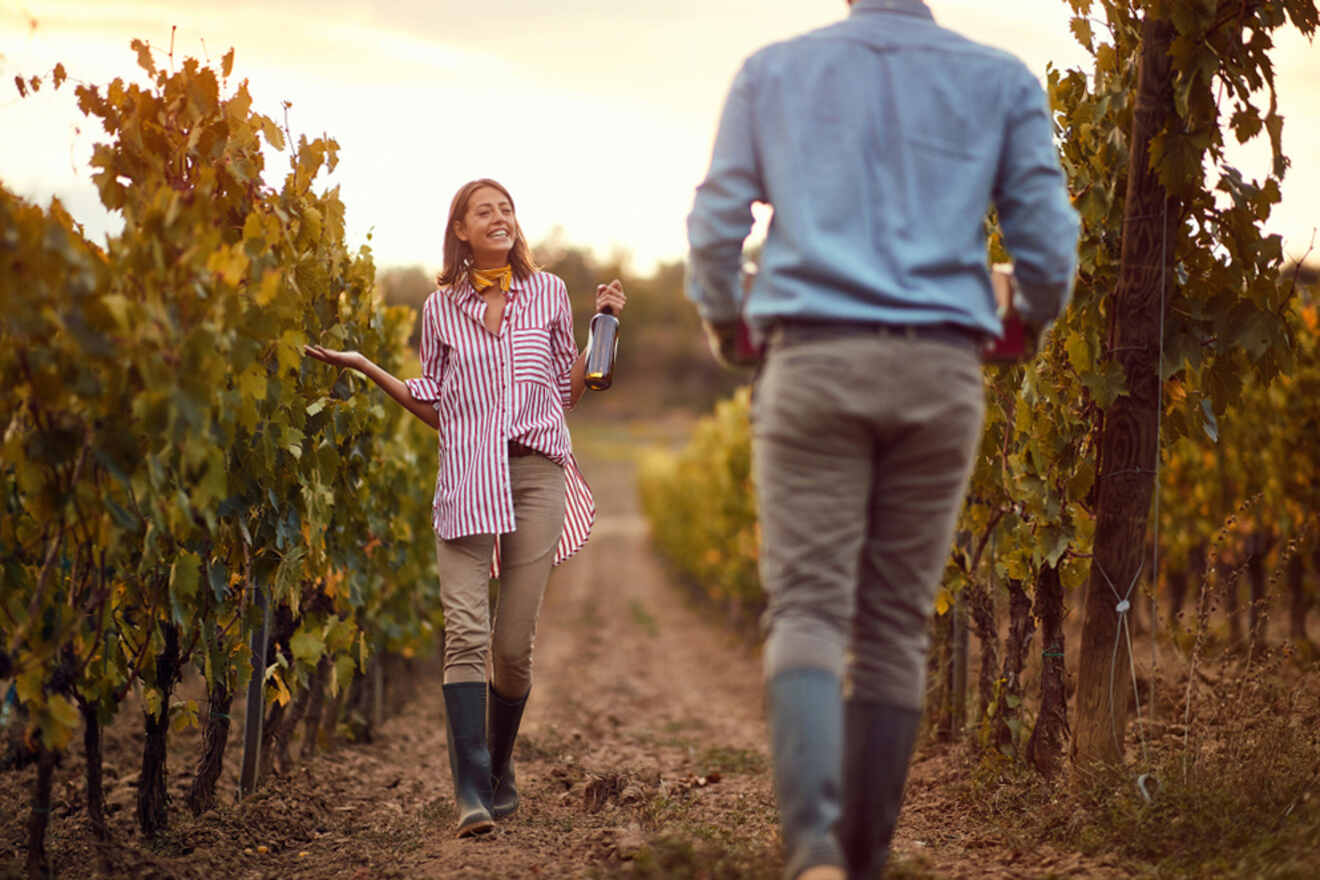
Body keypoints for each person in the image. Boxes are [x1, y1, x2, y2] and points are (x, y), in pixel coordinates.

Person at [685, 2, 1079, 878]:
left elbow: (716, 226)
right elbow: (1049, 251)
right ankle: (867, 859)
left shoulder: (772, 70)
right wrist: (1026, 326)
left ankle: (816, 848)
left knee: (810, 609)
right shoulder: (1001, 79)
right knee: (897, 623)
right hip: (943, 372)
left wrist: (728, 328)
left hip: (814, 360)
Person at [305, 178, 626, 838]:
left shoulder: (549, 294)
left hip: (538, 472)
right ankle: (470, 794)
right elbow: (435, 401)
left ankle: (497, 768)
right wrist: (368, 367)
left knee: (512, 649)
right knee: (466, 633)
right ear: (461, 230)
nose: (499, 217)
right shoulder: (440, 308)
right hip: (468, 472)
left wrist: (607, 324)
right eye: (485, 211)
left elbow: (572, 390)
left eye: (506, 209)